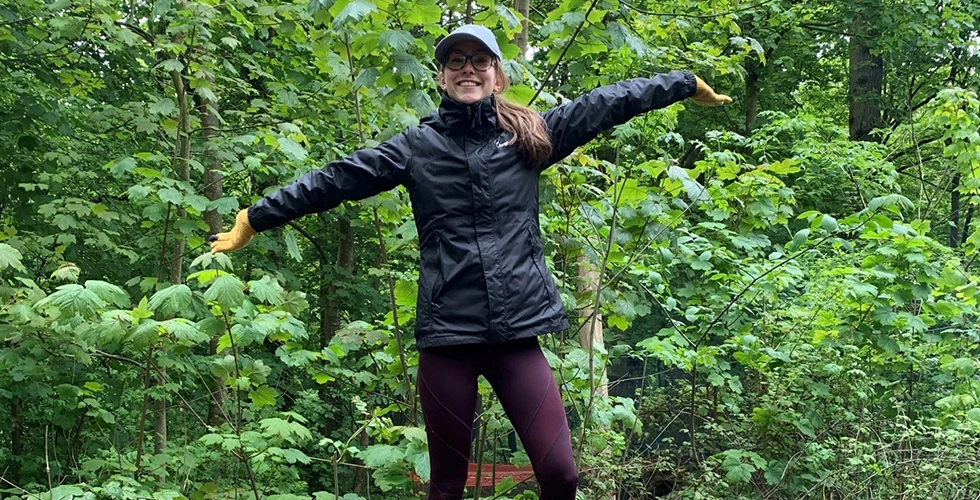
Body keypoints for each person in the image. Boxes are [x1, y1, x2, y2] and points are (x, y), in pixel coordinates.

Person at [210, 24, 731, 500]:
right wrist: (254, 218)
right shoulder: (416, 148)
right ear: (441, 76)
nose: (468, 69)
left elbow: (607, 102)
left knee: (562, 475)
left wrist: (684, 83)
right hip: (448, 338)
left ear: (497, 75)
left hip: (517, 336)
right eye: (456, 61)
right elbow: (336, 179)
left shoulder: (531, 137)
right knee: (446, 486)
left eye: (480, 61)